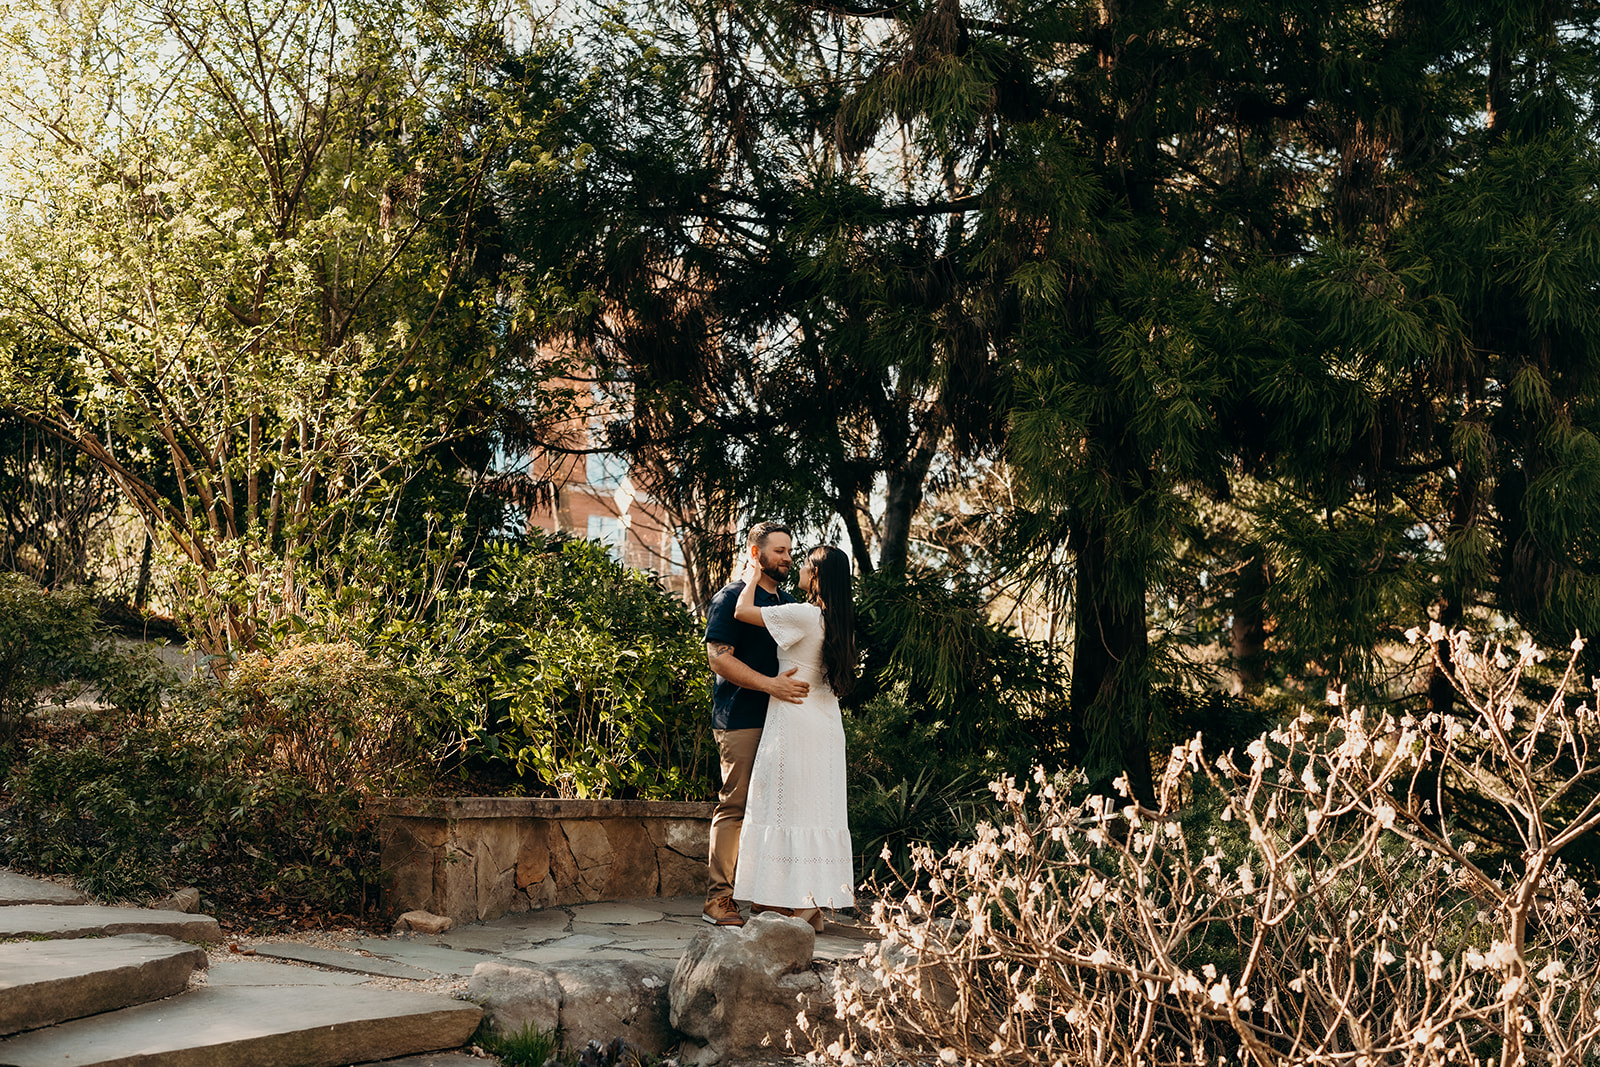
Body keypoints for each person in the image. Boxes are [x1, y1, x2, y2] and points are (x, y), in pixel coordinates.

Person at [730, 544, 857, 933]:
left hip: (794, 722)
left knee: (781, 805)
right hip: (825, 725)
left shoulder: (804, 614)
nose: (798, 567)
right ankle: (810, 905)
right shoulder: (838, 621)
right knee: (815, 810)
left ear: (816, 576)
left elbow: (741, 611)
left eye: (805, 564)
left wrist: (753, 571)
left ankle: (795, 908)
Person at [700, 521, 810, 927]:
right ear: (755, 554)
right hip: (741, 718)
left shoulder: (785, 603)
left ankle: (766, 898)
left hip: (783, 723)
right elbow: (719, 659)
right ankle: (719, 900)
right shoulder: (730, 597)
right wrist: (770, 687)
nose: (786, 557)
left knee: (773, 810)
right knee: (735, 807)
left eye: (789, 551)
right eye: (779, 551)